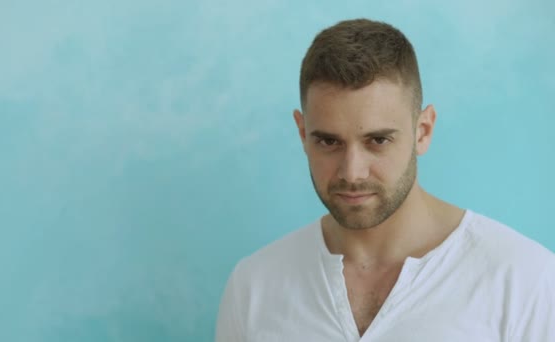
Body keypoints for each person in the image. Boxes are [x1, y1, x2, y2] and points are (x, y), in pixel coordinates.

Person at [215, 18, 555, 341]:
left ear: (423, 131)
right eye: (328, 142)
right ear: (303, 133)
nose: (352, 172)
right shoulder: (254, 286)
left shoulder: (526, 281)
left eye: (377, 141)